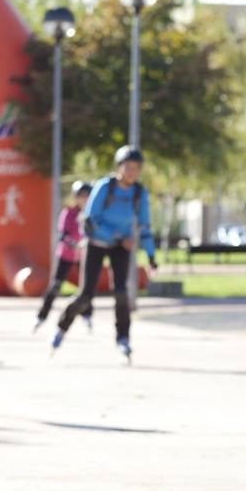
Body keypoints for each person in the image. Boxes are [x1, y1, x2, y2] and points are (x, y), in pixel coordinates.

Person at [50, 145, 157, 362]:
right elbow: (89, 221)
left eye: (136, 168)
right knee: (86, 295)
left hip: (121, 247)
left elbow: (144, 226)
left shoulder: (139, 192)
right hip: (97, 243)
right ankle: (62, 328)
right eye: (128, 167)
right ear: (119, 167)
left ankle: (123, 338)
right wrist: (117, 235)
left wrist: (151, 256)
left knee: (121, 293)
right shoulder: (104, 187)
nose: (132, 172)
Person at [34, 179, 94, 332]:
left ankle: (87, 315)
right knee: (55, 286)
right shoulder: (68, 213)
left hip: (83, 256)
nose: (84, 199)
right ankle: (42, 316)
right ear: (75, 197)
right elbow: (63, 235)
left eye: (87, 196)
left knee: (87, 287)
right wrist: (74, 244)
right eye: (81, 196)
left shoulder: (92, 214)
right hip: (66, 255)